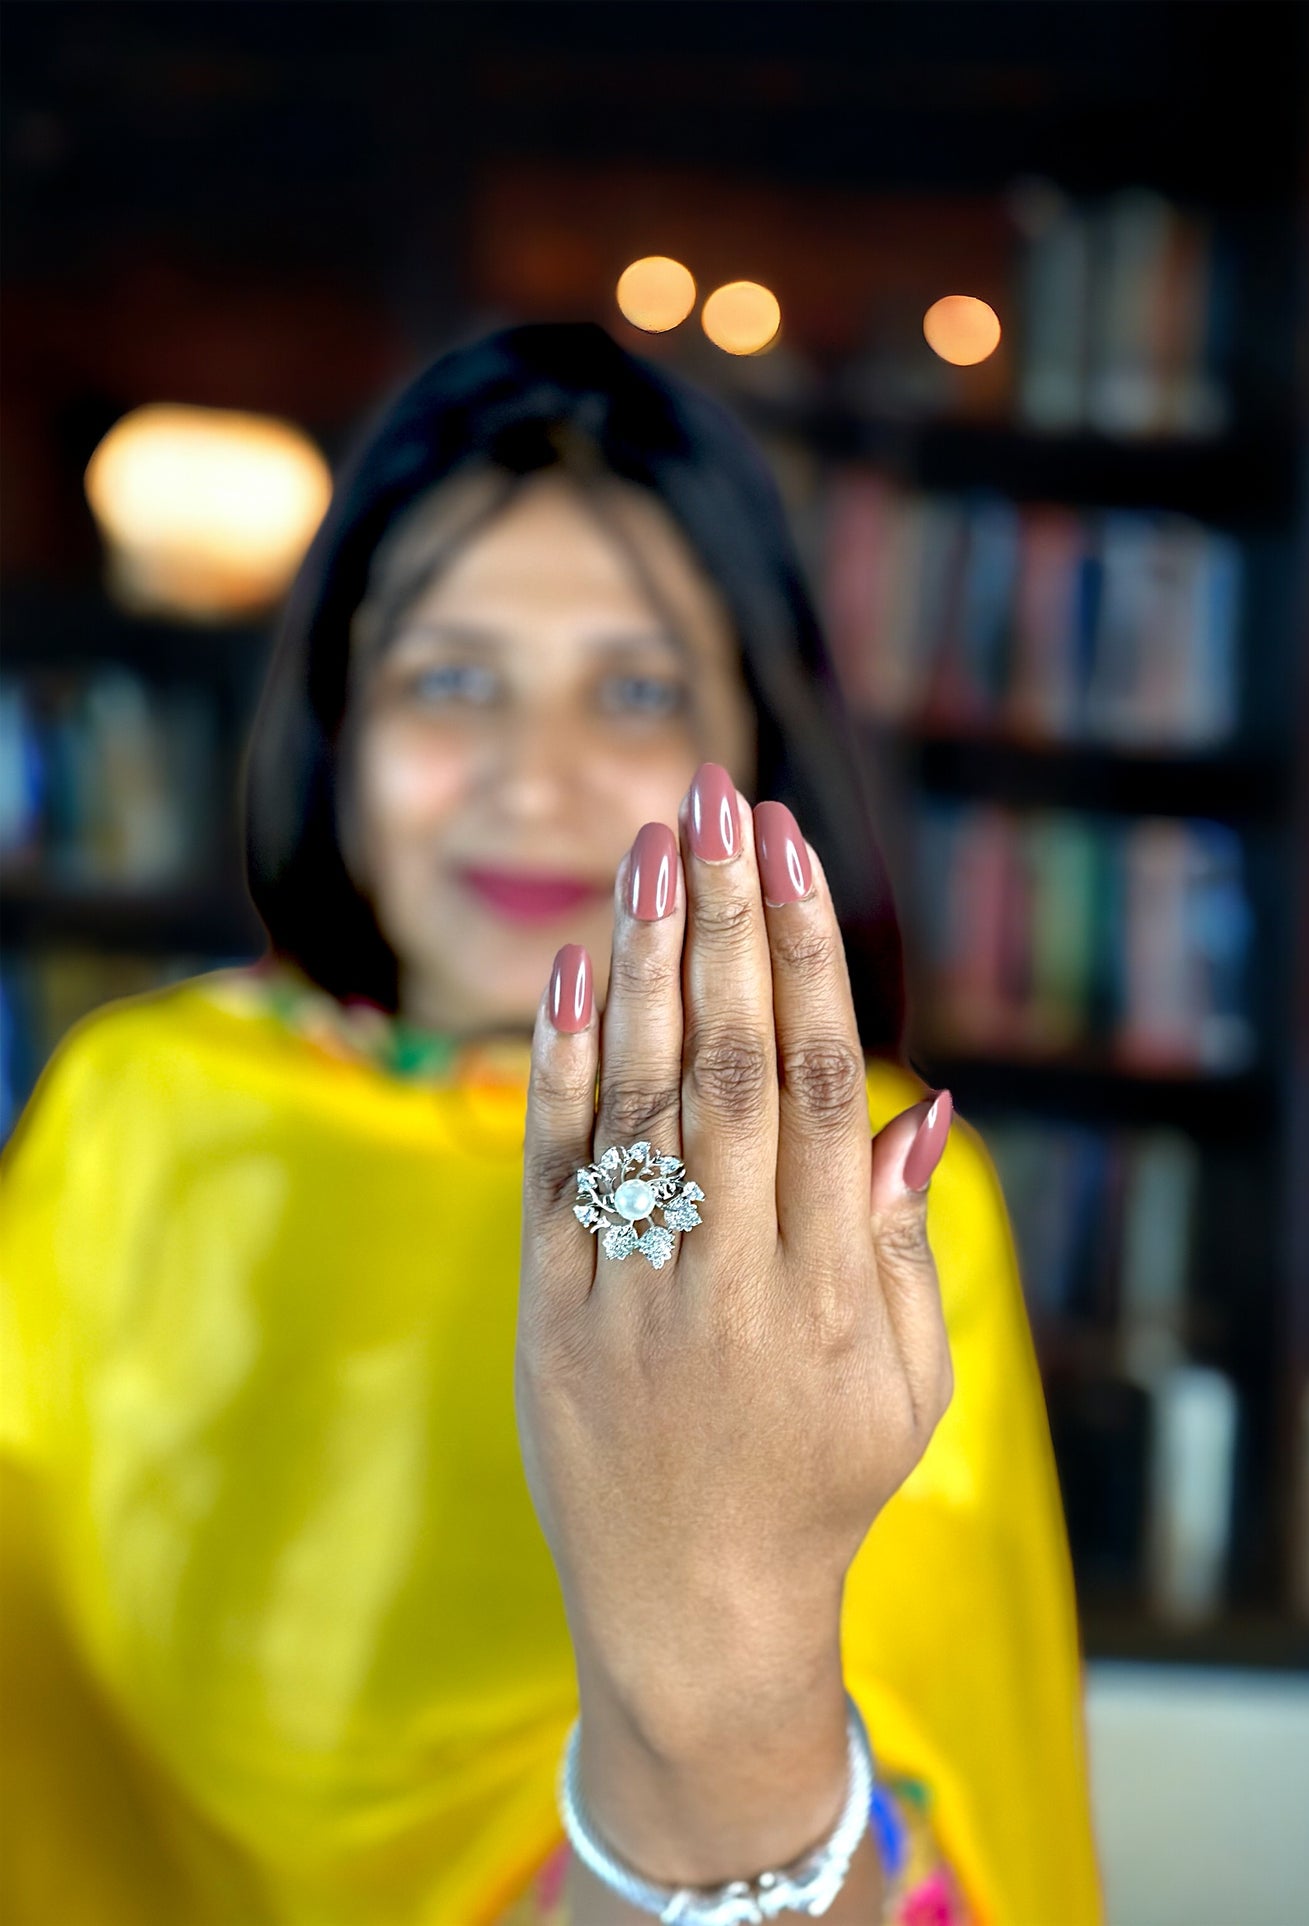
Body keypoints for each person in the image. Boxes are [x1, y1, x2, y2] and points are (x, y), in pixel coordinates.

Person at [0, 321, 1105, 1925]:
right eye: (452, 679)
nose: (536, 775)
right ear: (337, 726)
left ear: (751, 744)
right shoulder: (141, 1111)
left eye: (636, 688)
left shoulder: (866, 1190)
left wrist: (711, 1677)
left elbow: (921, 1816)